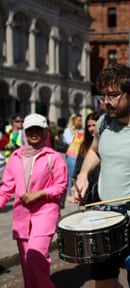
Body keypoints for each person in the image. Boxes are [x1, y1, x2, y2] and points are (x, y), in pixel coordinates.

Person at [73, 64, 130, 288]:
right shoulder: (105, 123)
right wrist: (84, 174)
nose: (106, 101)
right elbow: (95, 151)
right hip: (104, 219)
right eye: (102, 95)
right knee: (103, 282)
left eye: (113, 95)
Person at [0, 113, 68, 288]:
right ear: (25, 132)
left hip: (45, 213)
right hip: (21, 216)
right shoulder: (15, 157)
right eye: (30, 130)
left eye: (38, 129)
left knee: (35, 255)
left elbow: (61, 186)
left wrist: (39, 194)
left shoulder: (53, 157)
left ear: (45, 132)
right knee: (26, 265)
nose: (34, 133)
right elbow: (6, 187)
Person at [72, 111, 101, 205]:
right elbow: (77, 170)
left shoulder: (107, 144)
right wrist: (77, 186)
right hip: (88, 196)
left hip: (103, 195)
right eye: (89, 126)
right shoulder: (84, 145)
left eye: (94, 125)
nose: (91, 129)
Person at [63, 113, 83, 203]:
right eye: (78, 120)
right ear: (73, 120)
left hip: (80, 154)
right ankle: (70, 195)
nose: (80, 122)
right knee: (72, 175)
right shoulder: (68, 130)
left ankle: (77, 192)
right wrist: (76, 136)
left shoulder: (82, 131)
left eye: (81, 120)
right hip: (72, 155)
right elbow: (68, 141)